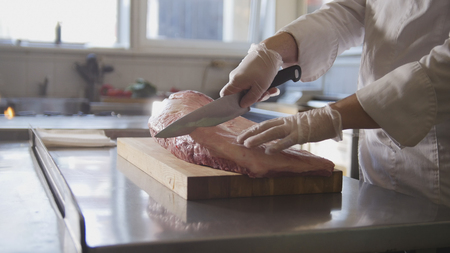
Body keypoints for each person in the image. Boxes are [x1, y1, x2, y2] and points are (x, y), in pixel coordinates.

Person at [220, 0, 450, 207]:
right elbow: (350, 10)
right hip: (377, 170)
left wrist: (333, 116)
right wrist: (271, 49)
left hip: (439, 169)